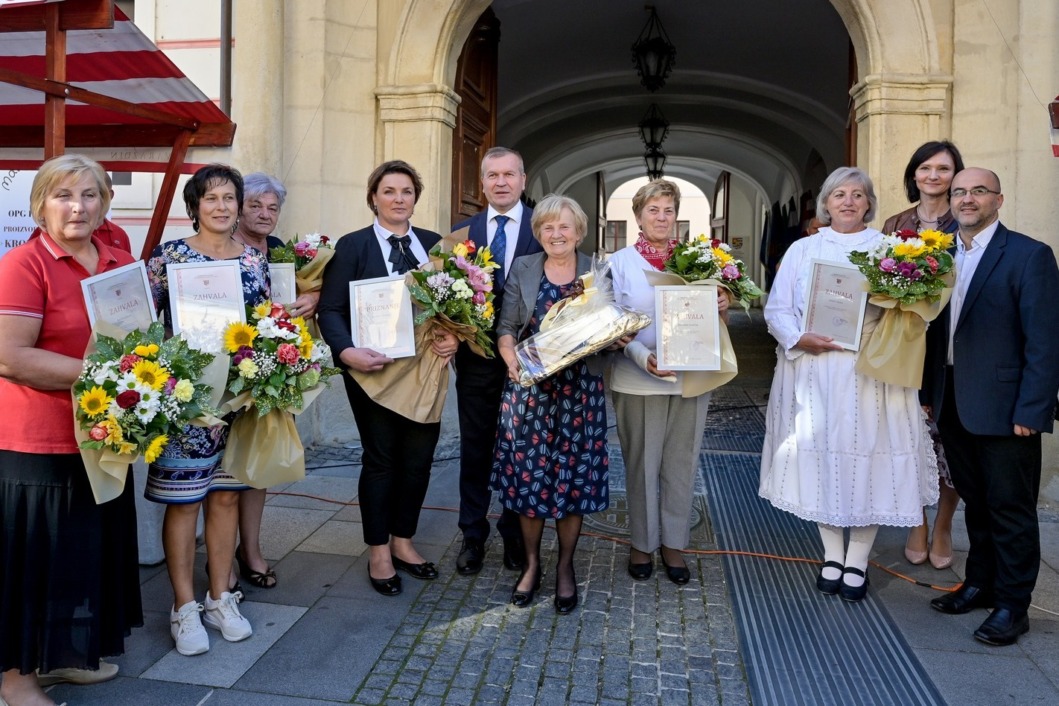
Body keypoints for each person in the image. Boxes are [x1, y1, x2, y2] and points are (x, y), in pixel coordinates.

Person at [758, 166, 938, 603]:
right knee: (821, 460)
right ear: (826, 202)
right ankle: (832, 554)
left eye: (858, 195)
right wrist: (799, 337)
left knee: (868, 459)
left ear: (869, 203)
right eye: (840, 194)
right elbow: (777, 309)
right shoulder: (803, 250)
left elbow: (908, 313)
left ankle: (858, 560)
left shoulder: (892, 251)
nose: (849, 202)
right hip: (814, 371)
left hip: (870, 373)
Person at [0, 154, 142, 705]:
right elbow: (11, 357)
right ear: (39, 205)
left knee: (80, 556)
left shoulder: (118, 259)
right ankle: (14, 680)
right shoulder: (23, 264)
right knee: (32, 564)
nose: (77, 206)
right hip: (37, 440)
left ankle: (62, 656)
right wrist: (106, 376)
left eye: (89, 195)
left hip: (102, 438)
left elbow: (138, 340)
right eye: (63, 195)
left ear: (105, 202)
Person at [923, 167, 1059, 646]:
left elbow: (1045, 342)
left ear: (998, 200)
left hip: (1007, 409)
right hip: (951, 399)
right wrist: (926, 395)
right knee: (976, 502)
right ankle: (980, 584)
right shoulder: (936, 253)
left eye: (977, 191)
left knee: (1010, 508)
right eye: (959, 192)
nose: (966, 199)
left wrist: (1033, 409)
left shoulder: (1028, 256)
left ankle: (1012, 605)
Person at [317, 160, 459, 596]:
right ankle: (378, 551)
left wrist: (453, 337)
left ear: (416, 198)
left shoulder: (436, 247)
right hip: (372, 373)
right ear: (373, 197)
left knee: (418, 461)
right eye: (389, 191)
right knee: (382, 461)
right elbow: (331, 309)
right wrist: (346, 352)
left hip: (425, 372)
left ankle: (404, 541)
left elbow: (454, 307)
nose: (399, 199)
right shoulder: (353, 246)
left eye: (407, 192)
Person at [145, 164, 270, 655]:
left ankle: (220, 597)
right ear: (194, 205)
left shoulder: (252, 260)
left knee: (226, 497)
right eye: (211, 197)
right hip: (187, 402)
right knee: (185, 500)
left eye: (229, 197)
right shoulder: (168, 258)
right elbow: (144, 321)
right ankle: (184, 607)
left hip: (238, 399)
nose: (222, 206)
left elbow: (262, 323)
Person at [491, 194, 609, 614]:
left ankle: (564, 567)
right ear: (537, 232)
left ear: (578, 231)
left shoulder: (597, 270)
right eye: (547, 227)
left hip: (579, 393)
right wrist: (511, 360)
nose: (555, 234)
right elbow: (505, 326)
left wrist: (616, 335)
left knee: (573, 482)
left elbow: (608, 325)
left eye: (564, 227)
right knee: (529, 480)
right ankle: (532, 564)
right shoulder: (524, 268)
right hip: (530, 390)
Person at [609, 179, 730, 585]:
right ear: (639, 216)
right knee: (642, 464)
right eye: (653, 210)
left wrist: (722, 303)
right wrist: (643, 357)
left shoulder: (696, 261)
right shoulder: (620, 263)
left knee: (682, 462)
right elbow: (609, 328)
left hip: (691, 377)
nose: (661, 218)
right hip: (637, 377)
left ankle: (674, 544)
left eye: (668, 211)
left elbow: (715, 322)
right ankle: (642, 544)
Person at [451, 147, 543, 575]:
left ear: (524, 180)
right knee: (476, 451)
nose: (501, 182)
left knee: (520, 452)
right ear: (483, 183)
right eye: (493, 175)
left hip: (533, 364)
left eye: (509, 174)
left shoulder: (546, 231)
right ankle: (472, 535)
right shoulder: (459, 236)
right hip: (477, 362)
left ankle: (513, 535)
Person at [229, 172, 320, 591]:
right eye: (255, 206)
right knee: (225, 471)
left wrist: (313, 297)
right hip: (231, 370)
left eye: (272, 207)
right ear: (238, 208)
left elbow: (307, 291)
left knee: (259, 464)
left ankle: (250, 548)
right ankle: (222, 557)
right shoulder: (225, 248)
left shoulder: (282, 251)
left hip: (274, 369)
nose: (265, 214)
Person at [881, 140, 965, 570]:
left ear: (956, 175)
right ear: (914, 175)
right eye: (926, 168)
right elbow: (875, 280)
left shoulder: (964, 222)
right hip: (907, 341)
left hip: (950, 343)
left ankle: (945, 523)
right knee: (909, 436)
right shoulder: (896, 224)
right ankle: (916, 520)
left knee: (946, 438)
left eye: (944, 169)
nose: (934, 176)